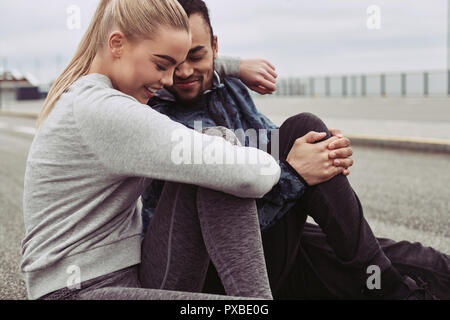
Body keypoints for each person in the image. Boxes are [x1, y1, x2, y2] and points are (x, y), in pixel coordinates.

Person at [142, 0, 450, 300]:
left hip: (278, 233)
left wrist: (321, 147)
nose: (183, 73)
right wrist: (296, 173)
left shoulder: (229, 87)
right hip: (224, 269)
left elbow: (274, 143)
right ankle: (392, 292)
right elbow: (211, 230)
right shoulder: (150, 116)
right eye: (172, 61)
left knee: (421, 263)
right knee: (304, 126)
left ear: (215, 48)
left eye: (196, 56)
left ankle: (390, 285)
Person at [20, 0, 285, 300]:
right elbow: (251, 177)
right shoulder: (103, 111)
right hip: (76, 292)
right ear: (117, 44)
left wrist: (234, 66)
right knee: (225, 162)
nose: (169, 80)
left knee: (215, 148)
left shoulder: (93, 96)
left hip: (133, 277)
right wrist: (277, 163)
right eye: (162, 65)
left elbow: (223, 161)